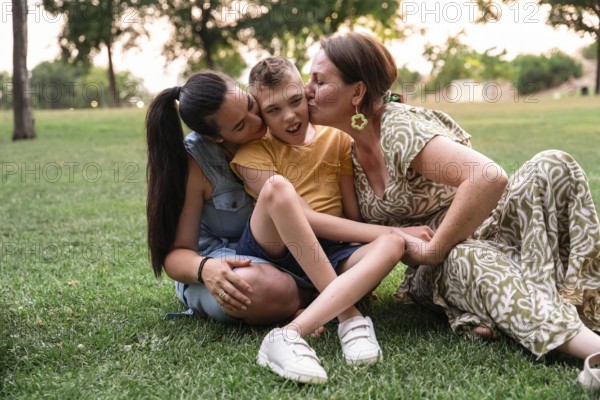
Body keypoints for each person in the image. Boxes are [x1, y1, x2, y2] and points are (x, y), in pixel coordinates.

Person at [304, 32, 600, 362]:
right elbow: (350, 241)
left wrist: (433, 248)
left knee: (553, 165)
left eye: (319, 81)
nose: (307, 91)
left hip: (482, 235)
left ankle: (579, 305)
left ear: (357, 92)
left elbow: (487, 177)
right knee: (466, 257)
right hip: (445, 267)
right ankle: (591, 350)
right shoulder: (348, 150)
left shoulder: (398, 127)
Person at [230, 56, 413, 384]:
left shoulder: (337, 138)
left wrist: (380, 243)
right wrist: (391, 228)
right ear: (260, 112)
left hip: (331, 251)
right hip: (275, 247)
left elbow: (350, 212)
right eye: (273, 110)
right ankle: (347, 315)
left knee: (393, 244)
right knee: (277, 189)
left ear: (305, 92)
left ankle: (310, 309)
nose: (289, 116)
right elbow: (307, 218)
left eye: (295, 101)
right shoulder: (252, 153)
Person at [146, 70, 325, 325]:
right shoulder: (194, 162)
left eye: (251, 106)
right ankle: (319, 296)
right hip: (218, 267)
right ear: (214, 137)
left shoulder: (276, 126)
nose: (257, 121)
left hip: (280, 253)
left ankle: (306, 298)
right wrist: (204, 268)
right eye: (241, 125)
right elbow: (176, 256)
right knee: (257, 286)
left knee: (359, 258)